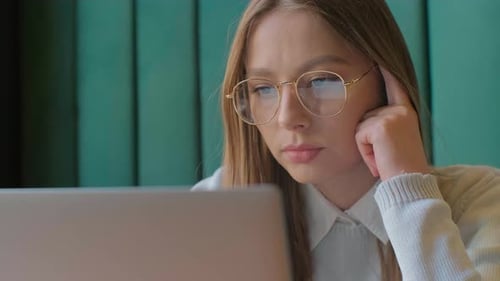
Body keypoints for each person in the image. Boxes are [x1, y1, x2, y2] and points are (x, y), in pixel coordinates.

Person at [193, 0, 500, 280]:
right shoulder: (212, 210)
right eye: (263, 89)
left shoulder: (479, 201)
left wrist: (409, 193)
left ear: (386, 83)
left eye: (322, 81)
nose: (287, 117)